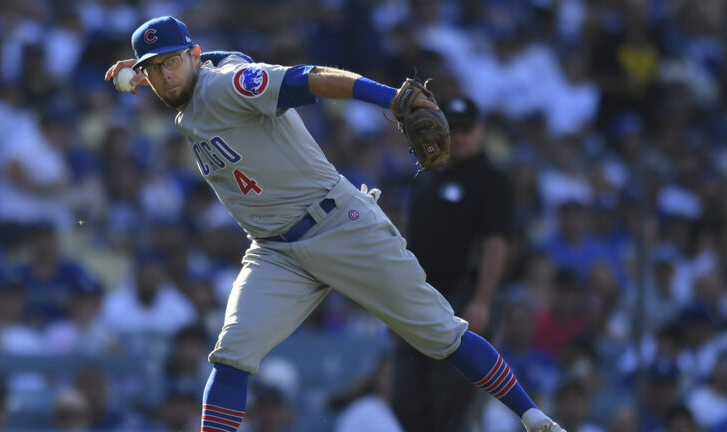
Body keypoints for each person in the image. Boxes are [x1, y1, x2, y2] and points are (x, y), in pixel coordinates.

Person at [105, 16, 565, 432]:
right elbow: (204, 69)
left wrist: (393, 99)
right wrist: (148, 72)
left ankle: (534, 417)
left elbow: (311, 78)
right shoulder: (190, 86)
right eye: (155, 68)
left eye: (173, 62)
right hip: (274, 251)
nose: (166, 75)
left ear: (195, 55)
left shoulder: (225, 85)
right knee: (232, 355)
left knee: (441, 334)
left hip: (340, 224)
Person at [392, 96, 514, 432]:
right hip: (418, 299)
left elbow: (496, 242)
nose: (459, 136)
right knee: (406, 399)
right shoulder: (427, 177)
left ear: (480, 131)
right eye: (453, 128)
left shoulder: (491, 179)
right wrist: (391, 301)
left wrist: (483, 301)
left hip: (462, 298)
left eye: (466, 129)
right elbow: (406, 243)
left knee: (448, 401)